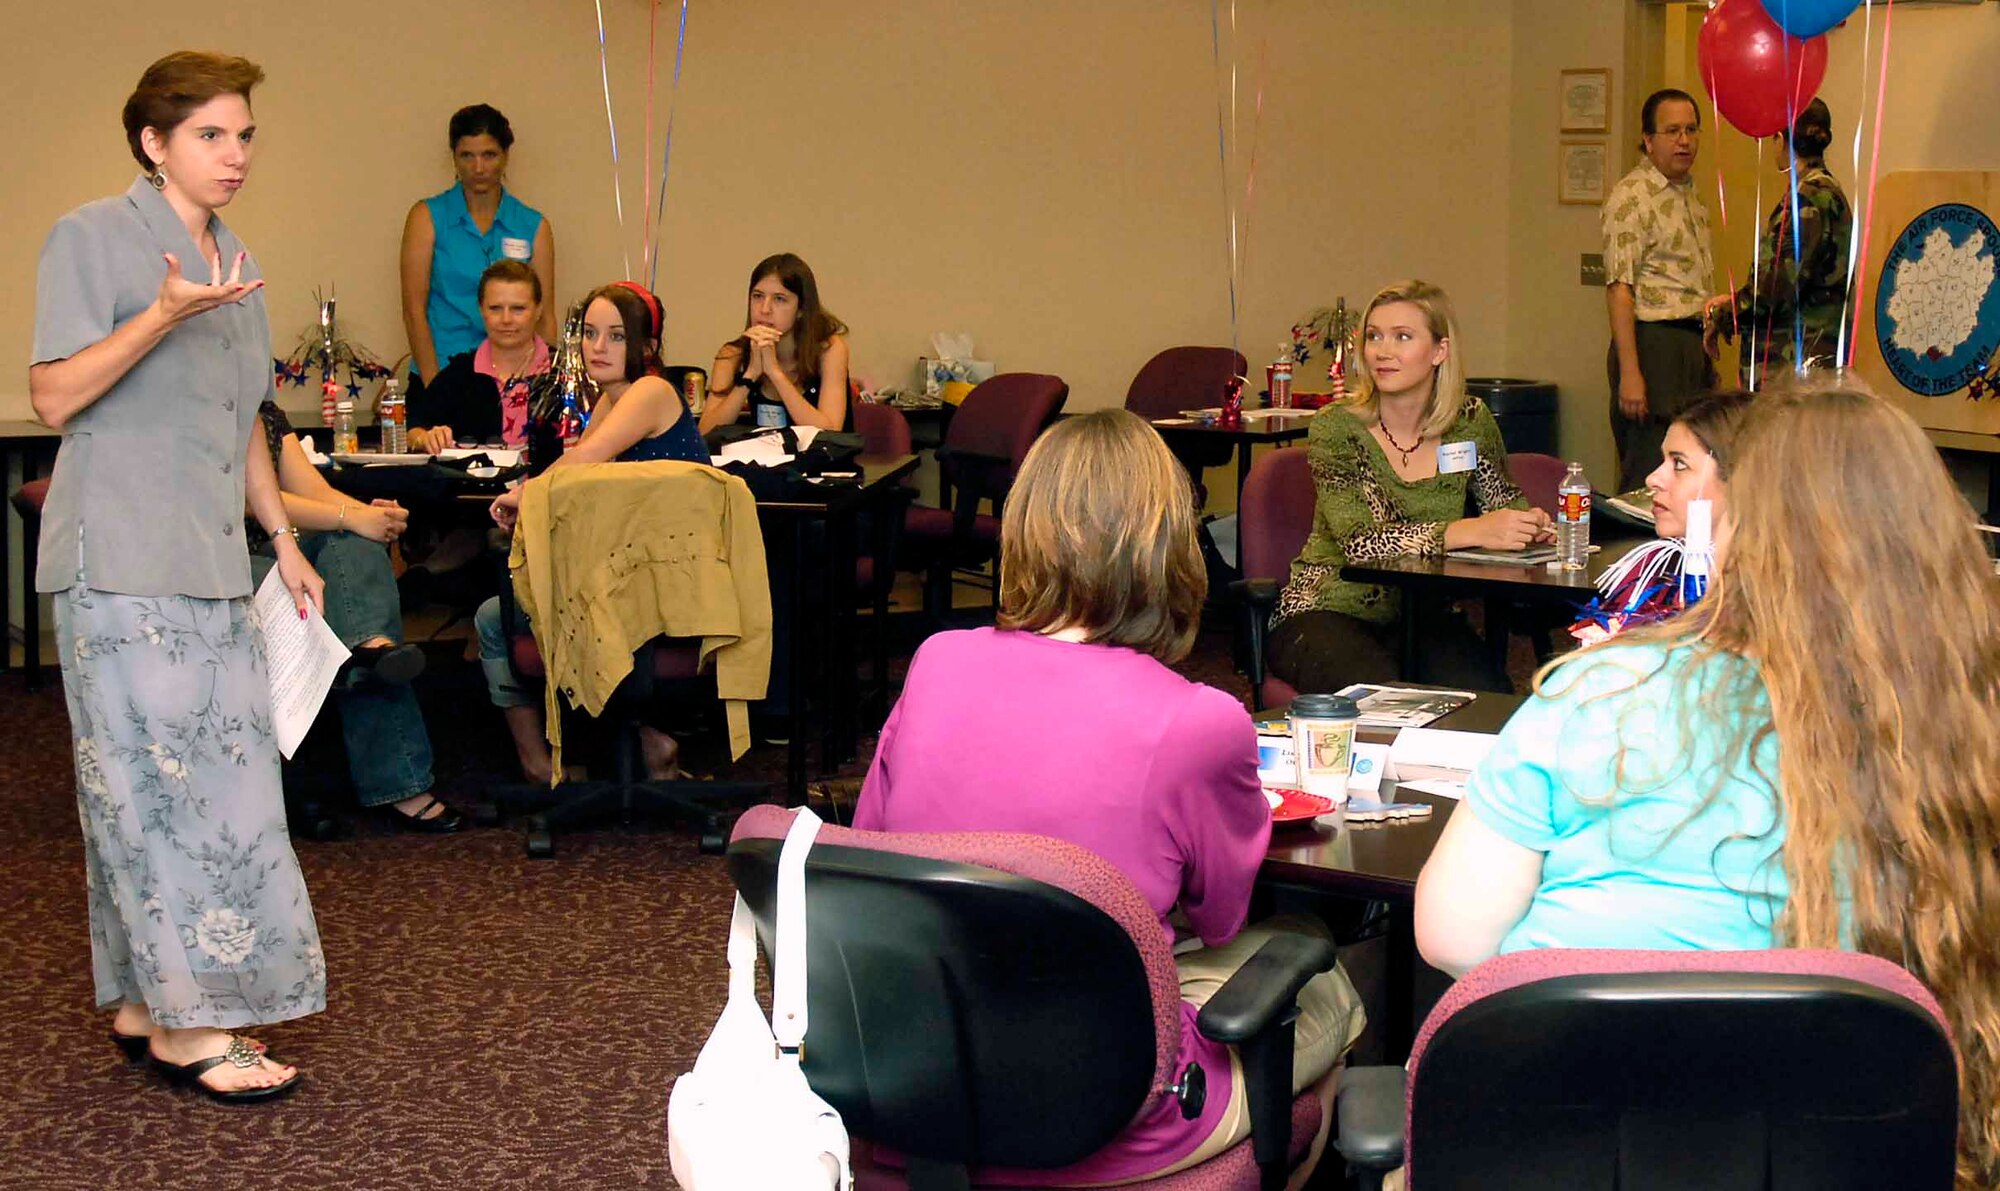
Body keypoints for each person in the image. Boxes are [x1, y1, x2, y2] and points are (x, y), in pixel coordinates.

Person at [1414, 387, 2000, 1190]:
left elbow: (1450, 937)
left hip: (1547, 1141)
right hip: (1834, 1156)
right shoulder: (1966, 732)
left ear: (1745, 531)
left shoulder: (1598, 689)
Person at [854, 409, 1364, 1186]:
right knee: (1324, 977)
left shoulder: (934, 662)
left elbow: (872, 851)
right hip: (1117, 1117)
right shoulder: (1198, 720)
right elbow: (1221, 918)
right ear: (1167, 546)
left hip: (921, 1094)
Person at [30, 50, 321, 1101]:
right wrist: (157, 315)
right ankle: (192, 1025)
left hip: (208, 559)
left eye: (244, 136)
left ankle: (145, 1001)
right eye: (210, 135)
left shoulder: (237, 258)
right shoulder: (91, 236)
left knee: (217, 788)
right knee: (158, 796)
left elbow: (240, 419)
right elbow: (53, 395)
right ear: (154, 143)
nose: (234, 155)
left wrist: (283, 538)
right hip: (117, 558)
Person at [1267, 280, 1549, 695]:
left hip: (1426, 612)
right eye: (1374, 336)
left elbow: (1503, 502)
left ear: (1439, 351)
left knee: (1487, 702)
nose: (1383, 351)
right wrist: (1469, 530)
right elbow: (1361, 543)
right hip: (1325, 609)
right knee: (1384, 701)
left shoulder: (1469, 420)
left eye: (1402, 337)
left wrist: (1528, 525)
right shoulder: (1337, 426)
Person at [476, 281, 706, 785]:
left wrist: (524, 495)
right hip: (631, 582)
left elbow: (583, 460)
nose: (597, 347)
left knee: (495, 617)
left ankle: (540, 765)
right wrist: (535, 502)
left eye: (616, 336)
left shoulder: (651, 392)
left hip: (666, 590)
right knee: (533, 598)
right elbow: (577, 485)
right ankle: (648, 741)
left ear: (647, 346)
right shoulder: (610, 400)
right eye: (590, 333)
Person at [248, 401, 462, 832]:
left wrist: (373, 517)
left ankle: (370, 650)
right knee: (333, 543)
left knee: (354, 543)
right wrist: (353, 516)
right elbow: (247, 499)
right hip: (225, 555)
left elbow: (314, 490)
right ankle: (362, 662)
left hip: (289, 546)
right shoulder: (198, 400)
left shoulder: (265, 411)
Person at [1571, 389, 1755, 644]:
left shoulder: (1771, 605)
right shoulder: (1653, 577)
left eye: (1679, 464)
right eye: (1664, 461)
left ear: (1740, 478)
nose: (1653, 479)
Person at [1603, 88, 1718, 492]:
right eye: (1672, 131)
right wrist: (1631, 374)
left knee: (1695, 468)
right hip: (1652, 346)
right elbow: (1619, 289)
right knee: (1650, 472)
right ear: (1649, 140)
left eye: (1691, 130)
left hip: (1690, 344)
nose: (1684, 141)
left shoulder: (1690, 194)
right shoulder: (1631, 197)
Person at [399, 104, 554, 393]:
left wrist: (543, 388)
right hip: (441, 372)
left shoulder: (533, 226)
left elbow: (544, 317)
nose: (478, 167)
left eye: (489, 155)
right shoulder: (427, 218)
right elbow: (413, 311)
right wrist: (436, 388)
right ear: (454, 158)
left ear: (505, 156)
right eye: (467, 156)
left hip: (513, 383)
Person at [1704, 99, 1853, 384]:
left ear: (1782, 140)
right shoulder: (1831, 192)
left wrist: (1723, 314)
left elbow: (1774, 290)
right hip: (1819, 360)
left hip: (1792, 367)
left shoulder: (1806, 199)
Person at [408, 259, 550, 452]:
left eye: (518, 309)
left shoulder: (563, 373)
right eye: (495, 308)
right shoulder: (459, 374)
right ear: (481, 310)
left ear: (538, 310)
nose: (506, 319)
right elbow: (413, 427)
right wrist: (426, 438)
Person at [698, 253, 850, 434]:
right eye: (758, 296)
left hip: (820, 452)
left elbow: (829, 431)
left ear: (801, 309)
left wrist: (774, 372)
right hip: (762, 451)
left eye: (779, 299)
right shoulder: (732, 354)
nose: (764, 309)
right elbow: (705, 433)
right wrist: (750, 375)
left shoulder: (830, 349)